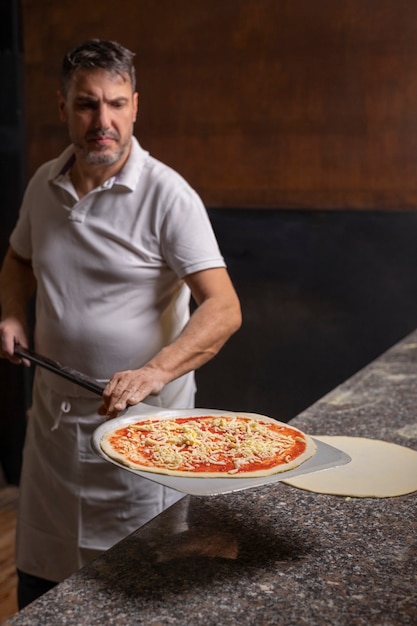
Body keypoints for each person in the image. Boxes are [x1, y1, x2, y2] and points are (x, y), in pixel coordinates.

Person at [0, 39, 241, 608]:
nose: (101, 121)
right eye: (86, 104)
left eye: (115, 103)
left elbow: (224, 307)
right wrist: (11, 312)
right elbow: (18, 258)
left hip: (142, 435)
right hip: (55, 437)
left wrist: (153, 373)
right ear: (63, 108)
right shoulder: (43, 184)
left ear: (136, 106)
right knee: (42, 586)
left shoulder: (168, 195)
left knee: (133, 593)